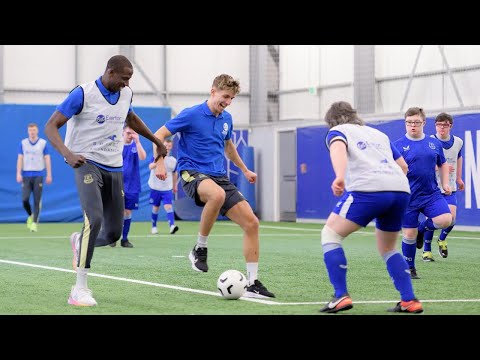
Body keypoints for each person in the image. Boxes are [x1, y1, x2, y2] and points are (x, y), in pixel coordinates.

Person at [44, 55, 167, 307]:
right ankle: (79, 288)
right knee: (94, 218)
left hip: (114, 166)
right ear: (110, 72)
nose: (127, 84)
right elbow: (50, 126)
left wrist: (155, 140)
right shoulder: (82, 93)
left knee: (112, 233)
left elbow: (130, 118)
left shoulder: (125, 94)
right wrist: (68, 154)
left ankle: (79, 242)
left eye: (129, 80)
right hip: (86, 162)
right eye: (124, 78)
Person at [153, 74, 275, 299]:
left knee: (252, 223)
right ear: (213, 91)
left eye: (232, 99)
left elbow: (229, 147)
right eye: (225, 97)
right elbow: (159, 134)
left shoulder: (226, 118)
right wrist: (160, 161)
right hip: (192, 173)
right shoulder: (191, 114)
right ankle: (200, 248)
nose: (228, 102)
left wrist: (245, 170)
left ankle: (252, 283)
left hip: (219, 176)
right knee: (216, 195)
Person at [319, 101, 423, 314]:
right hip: (400, 190)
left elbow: (338, 147)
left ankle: (341, 295)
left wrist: (339, 176)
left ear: (332, 120)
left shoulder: (337, 131)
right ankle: (409, 300)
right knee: (388, 248)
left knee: (330, 235)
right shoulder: (379, 134)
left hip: (367, 190)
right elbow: (403, 166)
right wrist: (390, 185)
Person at [393, 107, 453, 279]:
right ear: (405, 123)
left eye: (417, 122)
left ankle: (422, 229)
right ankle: (410, 268)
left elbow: (442, 164)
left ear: (424, 123)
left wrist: (445, 183)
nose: (413, 125)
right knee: (409, 235)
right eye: (409, 122)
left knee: (445, 219)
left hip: (431, 194)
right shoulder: (396, 146)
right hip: (407, 198)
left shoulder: (434, 144)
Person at [417, 112, 464, 261]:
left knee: (452, 218)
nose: (441, 127)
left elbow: (458, 158)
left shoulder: (458, 142)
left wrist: (458, 178)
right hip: (431, 186)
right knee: (434, 218)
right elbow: (423, 162)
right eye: (439, 124)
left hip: (449, 186)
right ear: (435, 125)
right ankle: (426, 251)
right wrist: (440, 168)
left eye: (445, 125)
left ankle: (441, 239)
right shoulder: (429, 141)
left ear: (450, 126)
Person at [109, 126, 147, 248]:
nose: (130, 135)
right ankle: (112, 236)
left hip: (132, 185)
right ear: (122, 133)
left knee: (127, 211)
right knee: (116, 212)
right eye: (128, 133)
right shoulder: (117, 146)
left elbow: (143, 157)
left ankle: (124, 239)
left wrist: (138, 141)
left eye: (133, 133)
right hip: (117, 184)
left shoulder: (135, 146)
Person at [16, 123, 53, 232]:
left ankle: (34, 223)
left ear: (37, 131)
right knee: (25, 199)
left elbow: (47, 159)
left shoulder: (43, 143)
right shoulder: (23, 143)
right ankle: (30, 215)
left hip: (39, 175)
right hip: (26, 175)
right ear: (28, 131)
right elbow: (20, 159)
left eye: (34, 130)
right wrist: (18, 173)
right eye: (30, 130)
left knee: (37, 200)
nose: (32, 132)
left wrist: (49, 174)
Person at [148, 138, 179, 235]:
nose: (167, 147)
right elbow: (150, 167)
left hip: (167, 188)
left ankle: (172, 226)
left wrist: (174, 186)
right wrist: (159, 161)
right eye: (166, 145)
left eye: (169, 146)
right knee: (155, 207)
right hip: (155, 187)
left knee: (168, 206)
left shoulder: (173, 161)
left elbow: (175, 174)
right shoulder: (156, 156)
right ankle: (154, 227)